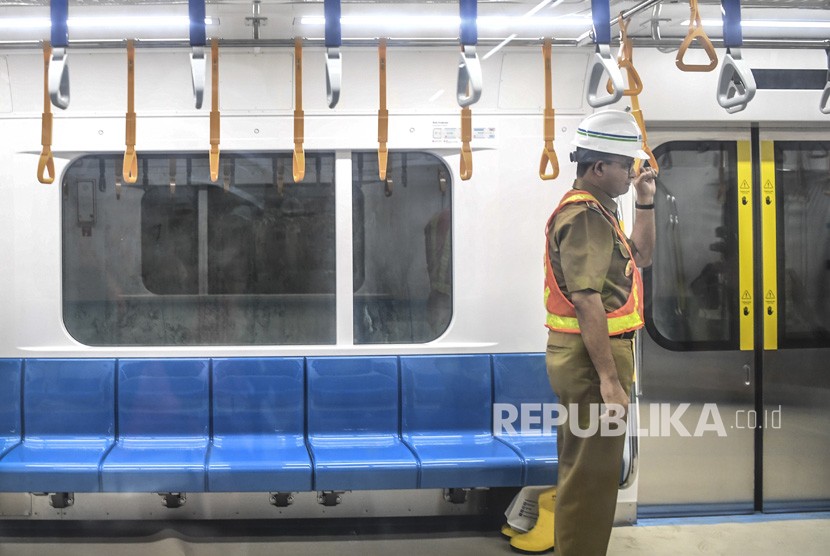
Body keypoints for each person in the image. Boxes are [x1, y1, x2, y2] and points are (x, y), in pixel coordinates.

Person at [543, 110, 656, 555]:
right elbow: (587, 299)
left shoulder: (603, 212)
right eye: (626, 166)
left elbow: (641, 256)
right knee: (590, 478)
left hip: (594, 358)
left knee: (592, 471)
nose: (633, 172)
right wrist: (610, 381)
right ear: (597, 168)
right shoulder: (585, 217)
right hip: (593, 363)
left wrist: (644, 198)